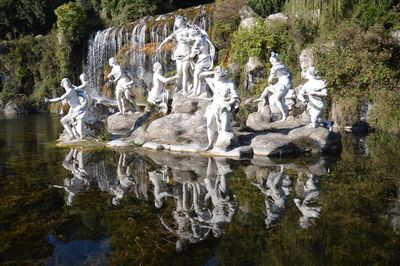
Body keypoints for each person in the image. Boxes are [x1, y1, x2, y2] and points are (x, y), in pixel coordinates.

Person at [201, 66, 240, 151]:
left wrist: (228, 103)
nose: (216, 77)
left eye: (218, 75)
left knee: (224, 129)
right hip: (214, 105)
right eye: (216, 74)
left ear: (223, 75)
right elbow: (201, 75)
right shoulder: (214, 80)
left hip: (224, 106)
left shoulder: (230, 84)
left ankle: (224, 145)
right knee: (209, 123)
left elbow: (235, 97)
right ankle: (210, 144)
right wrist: (212, 72)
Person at [156, 16, 192, 93]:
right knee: (179, 72)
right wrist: (160, 45)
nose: (176, 23)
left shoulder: (189, 30)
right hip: (179, 53)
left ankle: (185, 90)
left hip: (187, 52)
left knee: (185, 70)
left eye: (178, 21)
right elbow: (168, 38)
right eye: (176, 22)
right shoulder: (177, 32)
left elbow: (194, 39)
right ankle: (179, 87)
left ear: (182, 21)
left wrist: (187, 40)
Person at [254, 52, 292, 121]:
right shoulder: (282, 65)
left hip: (283, 84)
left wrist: (271, 82)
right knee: (268, 88)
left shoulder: (274, 68)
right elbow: (288, 75)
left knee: (276, 98)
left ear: (272, 61)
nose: (271, 63)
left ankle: (284, 115)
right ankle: (261, 97)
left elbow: (269, 80)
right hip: (287, 82)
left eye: (271, 61)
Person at [187, 25, 215, 97]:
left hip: (202, 61)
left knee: (196, 75)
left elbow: (192, 55)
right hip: (207, 58)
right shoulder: (204, 37)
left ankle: (195, 93)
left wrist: (185, 57)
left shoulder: (198, 40)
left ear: (193, 34)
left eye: (189, 35)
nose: (189, 37)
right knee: (203, 75)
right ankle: (209, 90)